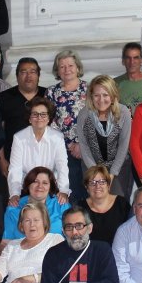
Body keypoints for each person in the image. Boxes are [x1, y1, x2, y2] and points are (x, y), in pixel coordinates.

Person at [7, 97, 72, 204]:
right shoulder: (19, 138)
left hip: (50, 188)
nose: (39, 118)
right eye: (35, 114)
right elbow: (15, 169)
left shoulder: (57, 137)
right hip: (27, 188)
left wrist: (63, 191)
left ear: (49, 118)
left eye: (43, 114)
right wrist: (14, 194)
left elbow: (62, 167)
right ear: (29, 118)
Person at [78, 75, 133, 196]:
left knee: (117, 199)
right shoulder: (84, 114)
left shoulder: (123, 112)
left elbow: (124, 145)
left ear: (112, 96)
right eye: (96, 95)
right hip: (91, 165)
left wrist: (112, 174)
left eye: (105, 95)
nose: (101, 100)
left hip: (118, 166)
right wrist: (96, 173)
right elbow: (84, 145)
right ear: (91, 96)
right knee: (96, 199)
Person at [47, 49, 90, 199]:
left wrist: (81, 144)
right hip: (63, 151)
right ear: (57, 70)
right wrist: (70, 145)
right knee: (71, 193)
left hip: (89, 149)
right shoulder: (51, 92)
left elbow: (95, 119)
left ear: (78, 67)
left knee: (90, 191)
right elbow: (50, 122)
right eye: (62, 66)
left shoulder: (90, 89)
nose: (67, 70)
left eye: (70, 65)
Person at [0, 58, 48, 172]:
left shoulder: (48, 95)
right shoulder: (5, 97)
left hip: (45, 157)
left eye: (32, 72)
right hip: (13, 158)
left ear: (38, 75)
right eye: (23, 72)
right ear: (17, 76)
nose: (28, 76)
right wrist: (2, 159)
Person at [2, 167, 70, 249]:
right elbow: (5, 242)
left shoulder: (61, 204)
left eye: (45, 183)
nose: (40, 186)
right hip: (23, 252)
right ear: (28, 184)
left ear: (50, 186)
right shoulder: (14, 207)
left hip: (57, 251)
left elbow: (71, 235)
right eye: (35, 182)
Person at [79, 164, 131, 244]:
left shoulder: (122, 204)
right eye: (92, 183)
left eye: (102, 182)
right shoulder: (80, 208)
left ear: (108, 185)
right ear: (87, 187)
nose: (97, 186)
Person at [115, 43, 142, 109]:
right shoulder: (114, 84)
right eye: (128, 58)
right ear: (123, 61)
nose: (132, 62)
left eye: (136, 58)